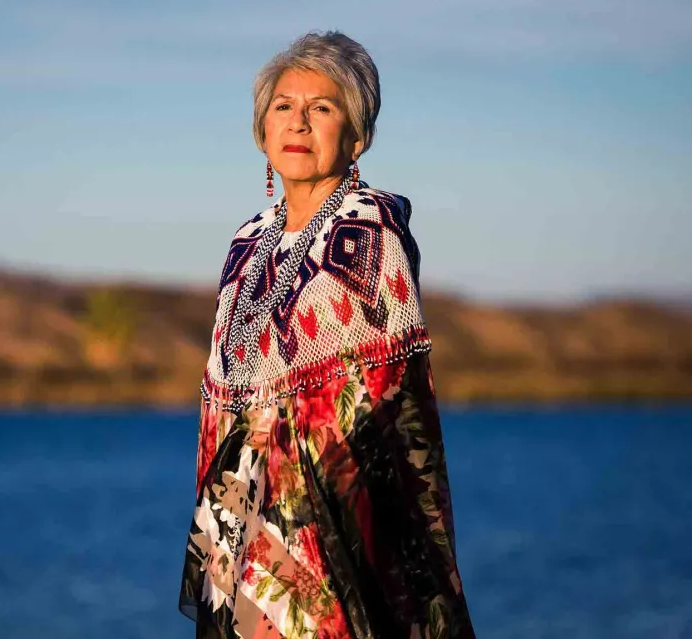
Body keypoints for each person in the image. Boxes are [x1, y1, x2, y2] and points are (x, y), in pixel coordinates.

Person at [179, 31, 477, 639]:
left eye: (322, 108)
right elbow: (223, 383)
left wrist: (286, 449)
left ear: (357, 135)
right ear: (262, 129)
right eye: (284, 106)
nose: (298, 123)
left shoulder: (370, 232)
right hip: (241, 514)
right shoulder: (247, 242)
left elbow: (380, 396)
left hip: (329, 518)